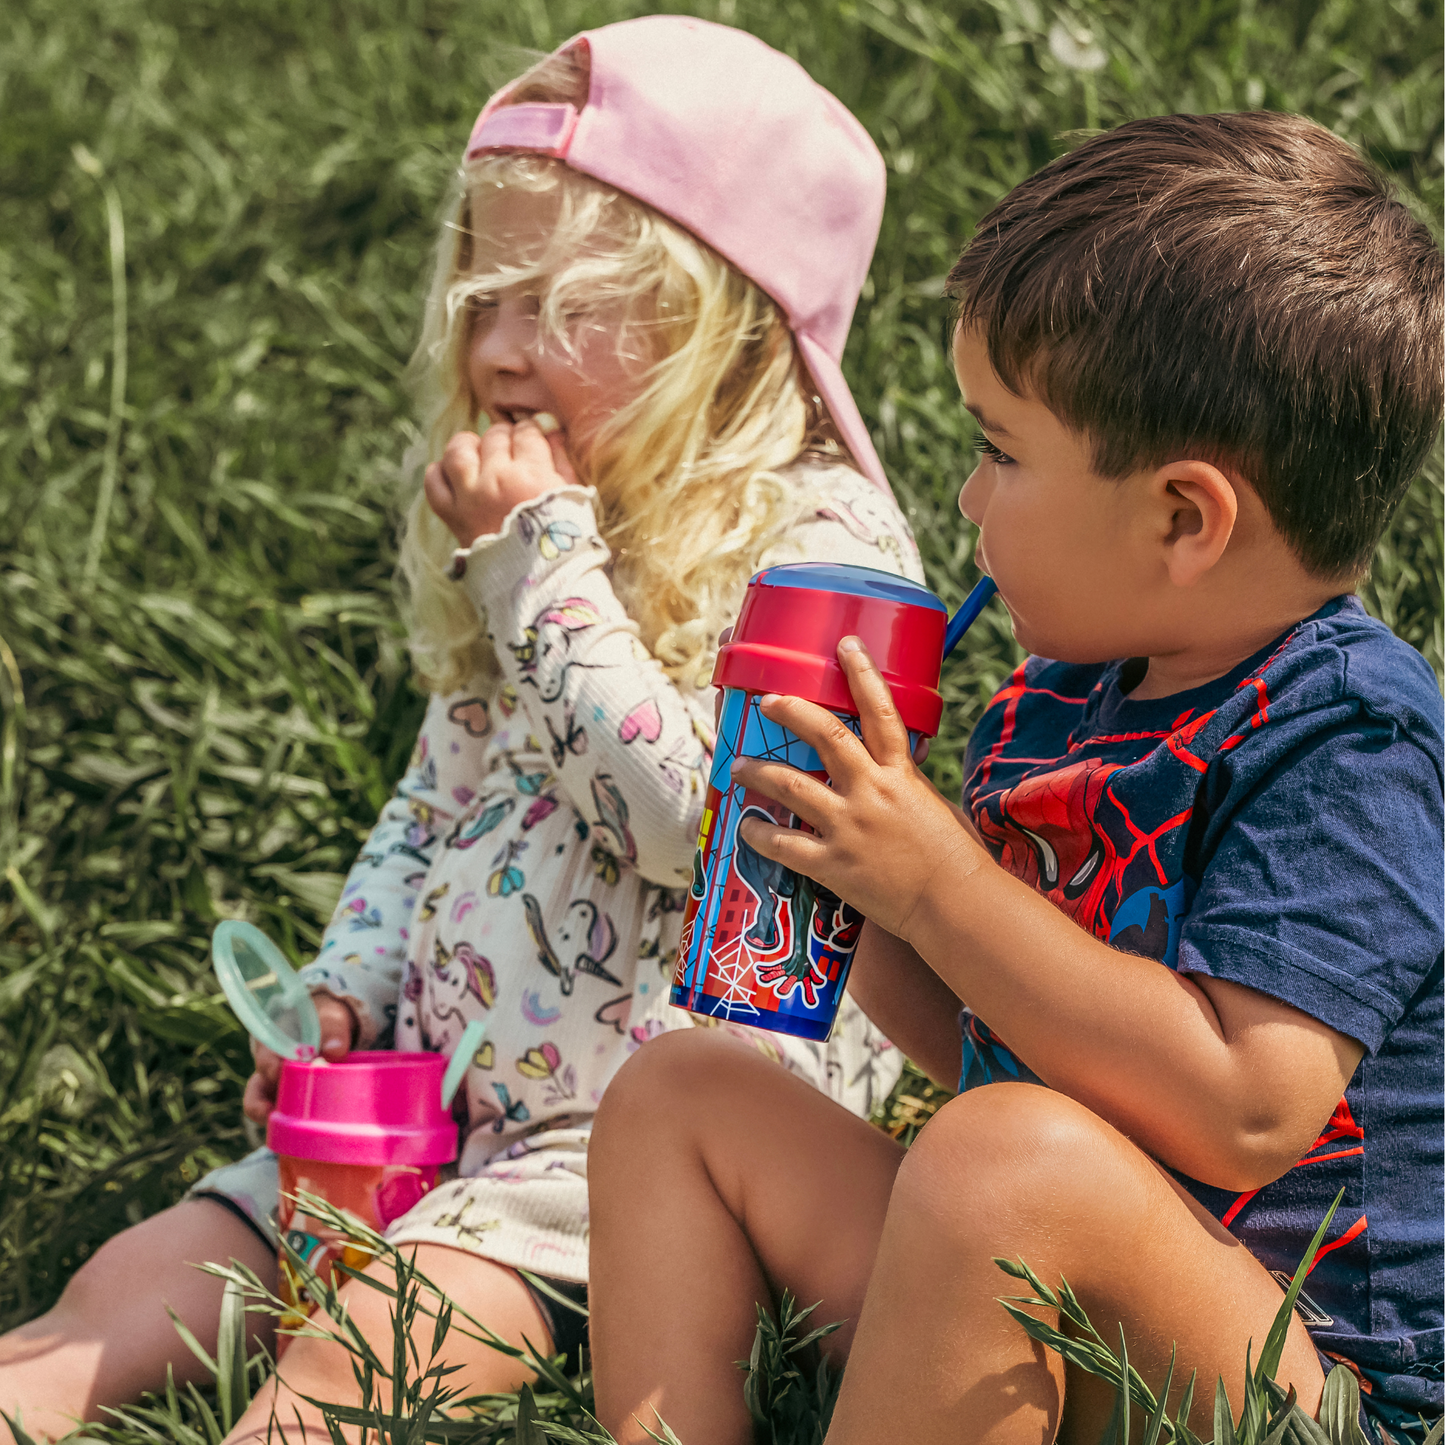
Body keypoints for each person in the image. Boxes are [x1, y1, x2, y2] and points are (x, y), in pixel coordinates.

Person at [0, 18, 924, 1441]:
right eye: (480, 300)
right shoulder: (552, 530)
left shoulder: (822, 552)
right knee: (143, 1276)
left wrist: (541, 568)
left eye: (556, 307)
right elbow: (437, 805)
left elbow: (712, 837)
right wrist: (348, 990)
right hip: (431, 1095)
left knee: (356, 1358)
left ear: (725, 313)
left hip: (615, 1156)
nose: (495, 351)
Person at [586, 111, 1444, 1445]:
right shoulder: (1058, 703)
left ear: (1182, 518)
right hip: (1021, 1282)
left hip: (1285, 1379)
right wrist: (844, 875)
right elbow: (996, 1033)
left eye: (999, 451)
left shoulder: (1350, 744)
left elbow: (1245, 1112)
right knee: (680, 1095)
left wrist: (937, 882)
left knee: (998, 1160)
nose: (970, 505)